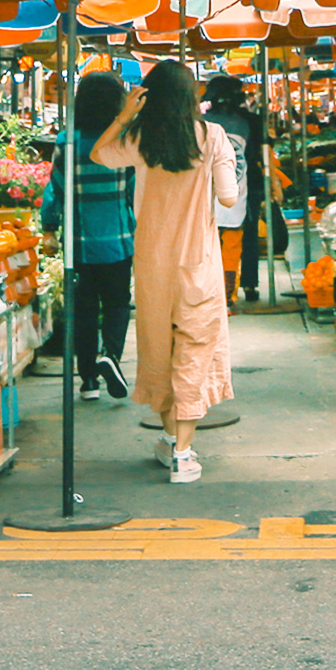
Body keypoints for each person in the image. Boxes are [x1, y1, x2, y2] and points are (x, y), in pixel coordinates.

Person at [92, 59, 241, 484]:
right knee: (194, 351)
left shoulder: (140, 138)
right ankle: (183, 452)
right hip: (199, 263)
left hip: (153, 263)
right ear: (193, 97)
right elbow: (229, 199)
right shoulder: (213, 137)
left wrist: (124, 114)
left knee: (159, 350)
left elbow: (99, 153)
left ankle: (170, 440)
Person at [42, 71, 135, 401]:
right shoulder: (123, 140)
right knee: (117, 303)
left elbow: (56, 189)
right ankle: (111, 355)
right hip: (119, 239)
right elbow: (133, 192)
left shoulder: (67, 140)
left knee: (82, 310)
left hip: (78, 242)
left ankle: (88, 381)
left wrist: (49, 227)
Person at [202, 74, 264, 305]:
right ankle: (229, 295)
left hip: (203, 192)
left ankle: (210, 292)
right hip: (239, 190)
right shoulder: (246, 123)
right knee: (234, 244)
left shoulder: (199, 122)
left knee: (206, 246)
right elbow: (252, 156)